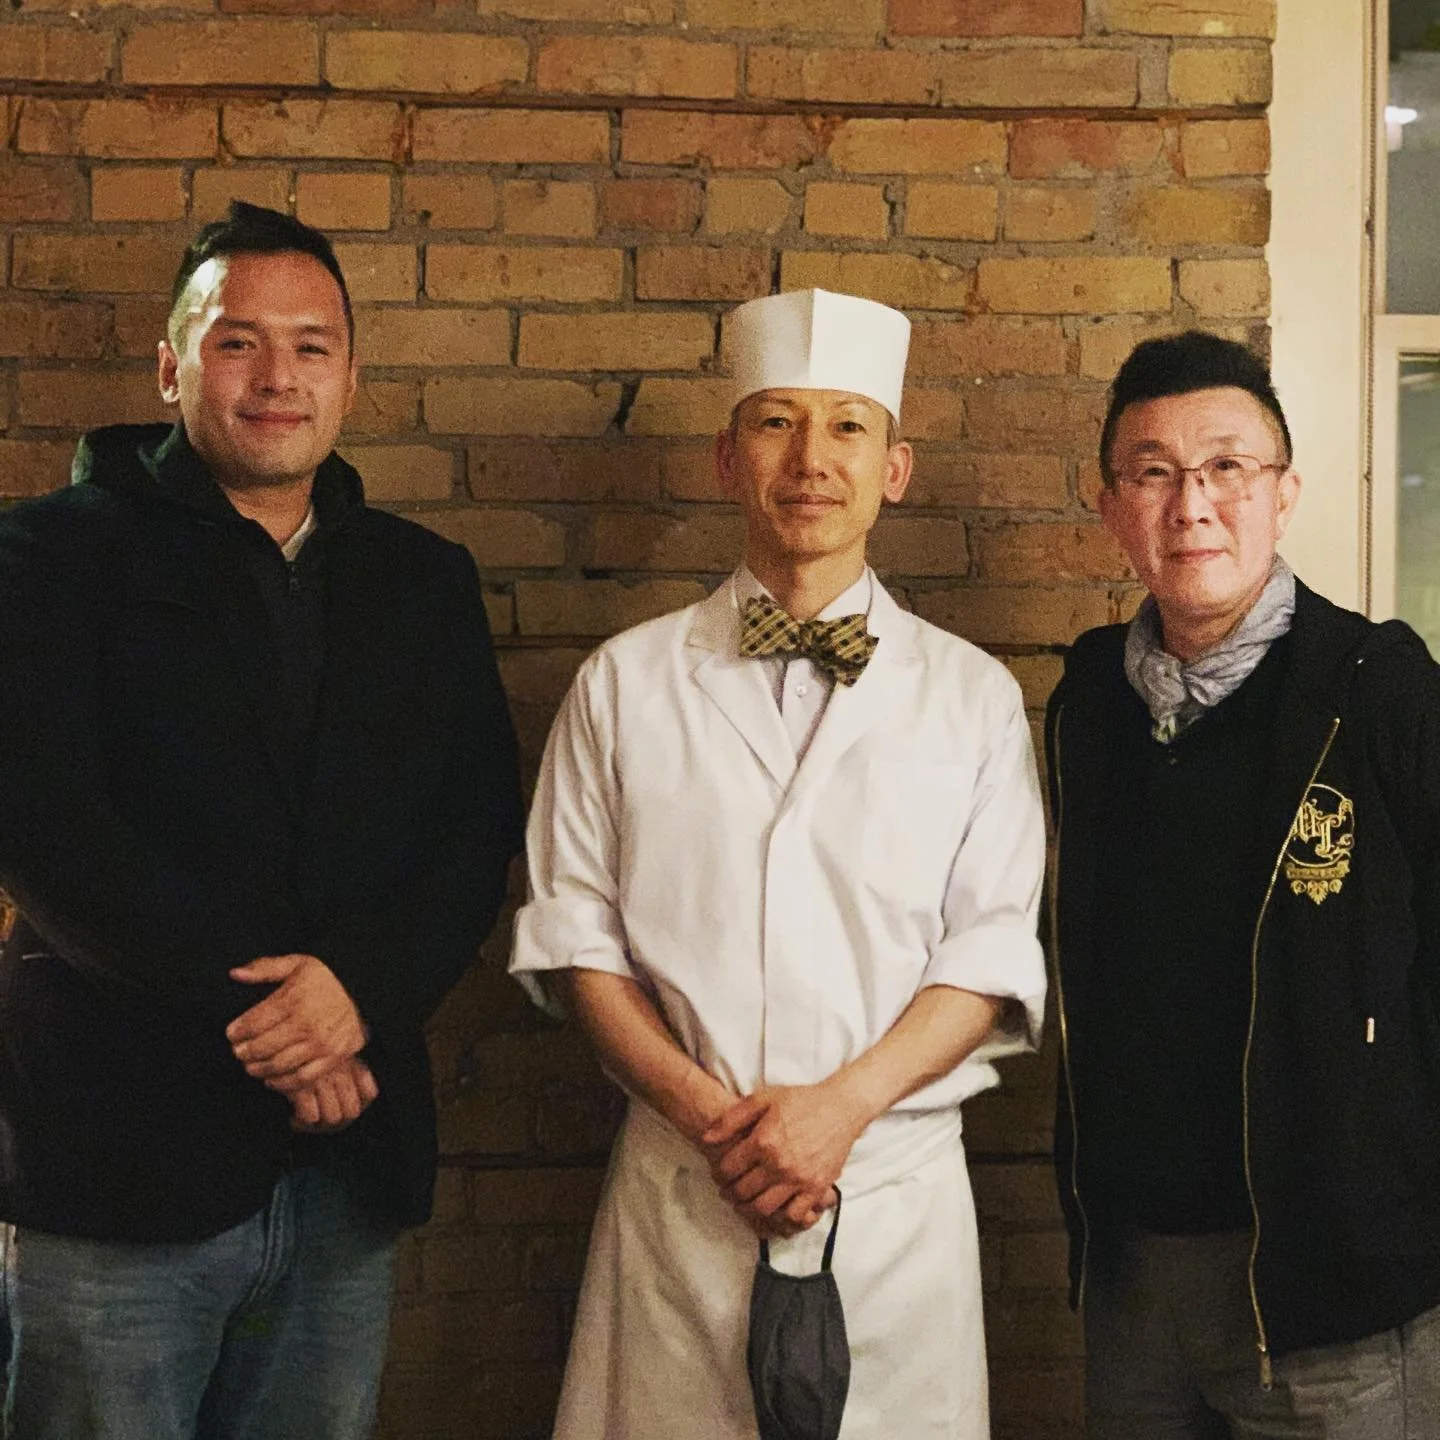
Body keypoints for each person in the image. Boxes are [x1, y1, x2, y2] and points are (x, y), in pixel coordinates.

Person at [0, 201, 524, 1438]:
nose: (277, 376)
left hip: (347, 1170)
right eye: (238, 342)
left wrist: (359, 998)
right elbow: (49, 832)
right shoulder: (41, 560)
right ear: (174, 365)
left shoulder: (422, 580)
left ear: (351, 376)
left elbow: (472, 828)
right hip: (114, 1161)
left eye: (312, 345)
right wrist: (282, 1024)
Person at [511, 287, 1047, 1440]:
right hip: (682, 1198)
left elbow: (993, 948)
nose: (812, 458)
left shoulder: (972, 698)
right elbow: (574, 942)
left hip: (894, 1197)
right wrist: (720, 1123)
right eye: (776, 423)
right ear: (725, 458)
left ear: (894, 468)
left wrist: (838, 1113)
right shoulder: (624, 684)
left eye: (848, 426)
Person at [1047, 329, 1440, 1437]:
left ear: (1284, 493)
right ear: (1111, 502)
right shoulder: (1087, 708)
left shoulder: (1381, 694)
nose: (1193, 503)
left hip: (1337, 1289)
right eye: (1155, 471)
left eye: (1228, 467)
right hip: (1134, 1280)